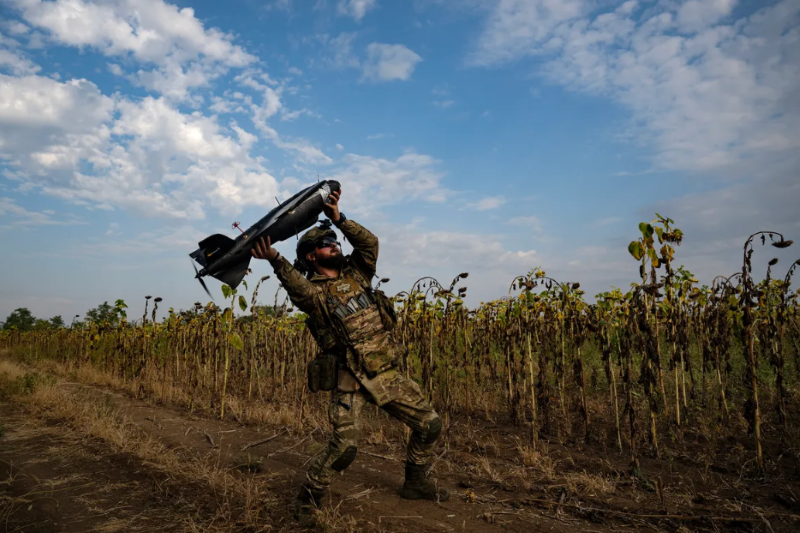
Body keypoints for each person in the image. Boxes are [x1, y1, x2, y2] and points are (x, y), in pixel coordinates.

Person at [251, 188, 449, 517]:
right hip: (350, 378)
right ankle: (309, 497)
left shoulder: (357, 275)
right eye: (326, 243)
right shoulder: (314, 292)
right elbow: (298, 291)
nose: (335, 245)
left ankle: (415, 484)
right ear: (311, 256)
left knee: (429, 425)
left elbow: (370, 244)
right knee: (345, 448)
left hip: (384, 372)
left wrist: (339, 220)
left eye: (336, 242)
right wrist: (275, 258)